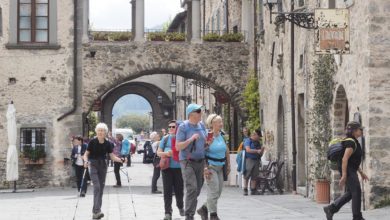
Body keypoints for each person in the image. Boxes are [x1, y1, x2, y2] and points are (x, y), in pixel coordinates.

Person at [323, 121, 368, 220]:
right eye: (360, 129)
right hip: (348, 170)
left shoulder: (354, 141)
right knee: (356, 191)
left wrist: (361, 172)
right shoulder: (350, 142)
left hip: (350, 169)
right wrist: (344, 175)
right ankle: (357, 217)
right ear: (354, 131)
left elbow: (353, 160)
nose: (361, 131)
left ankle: (331, 208)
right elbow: (345, 159)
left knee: (351, 193)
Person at [83, 123, 127, 219]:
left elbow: (112, 157)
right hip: (93, 164)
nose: (100, 132)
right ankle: (96, 211)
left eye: (102, 130)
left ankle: (96, 212)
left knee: (101, 189)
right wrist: (85, 161)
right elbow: (86, 154)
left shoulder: (108, 143)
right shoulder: (92, 142)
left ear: (105, 132)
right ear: (96, 131)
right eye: (99, 130)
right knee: (97, 187)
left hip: (103, 165)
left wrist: (121, 160)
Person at [176, 103, 207, 220]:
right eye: (199, 111)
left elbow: (203, 145)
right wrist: (191, 139)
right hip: (187, 161)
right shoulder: (183, 127)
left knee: (197, 189)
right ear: (192, 114)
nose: (201, 113)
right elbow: (178, 146)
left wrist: (209, 143)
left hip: (200, 161)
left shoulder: (202, 125)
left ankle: (190, 211)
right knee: (192, 188)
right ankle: (189, 214)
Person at [197, 114, 230, 220]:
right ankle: (213, 215)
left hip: (221, 167)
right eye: (218, 122)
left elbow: (226, 150)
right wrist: (205, 168)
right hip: (210, 166)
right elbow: (201, 152)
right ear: (211, 123)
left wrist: (228, 164)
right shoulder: (207, 136)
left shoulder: (223, 135)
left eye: (221, 121)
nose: (221, 124)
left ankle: (204, 208)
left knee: (218, 192)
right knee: (213, 191)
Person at [158, 120, 185, 220]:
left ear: (178, 128)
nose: (171, 129)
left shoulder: (182, 139)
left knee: (179, 190)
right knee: (167, 191)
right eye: (169, 127)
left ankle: (180, 206)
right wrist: (166, 154)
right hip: (167, 168)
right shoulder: (165, 139)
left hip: (179, 169)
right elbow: (158, 153)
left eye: (173, 127)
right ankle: (168, 212)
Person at [243, 129, 264, 196]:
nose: (259, 138)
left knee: (254, 176)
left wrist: (262, 150)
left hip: (257, 160)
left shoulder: (258, 142)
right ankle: (245, 189)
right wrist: (257, 151)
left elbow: (260, 153)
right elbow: (248, 150)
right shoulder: (248, 140)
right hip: (249, 159)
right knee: (247, 175)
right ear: (255, 135)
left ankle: (253, 190)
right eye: (258, 136)